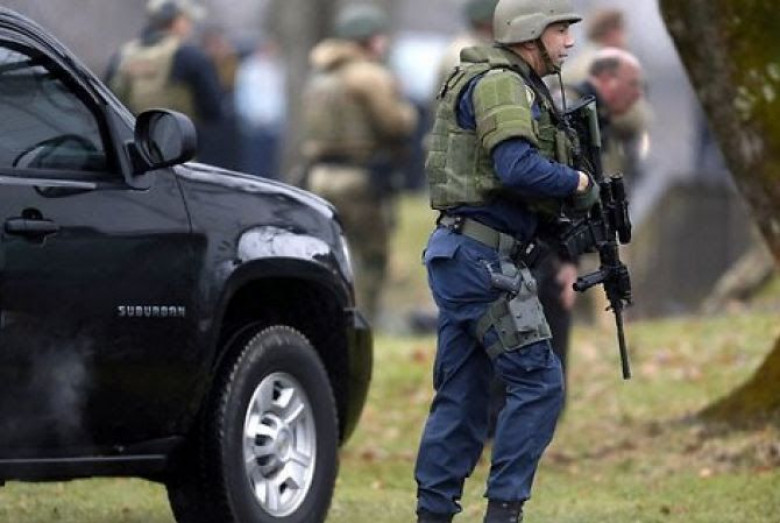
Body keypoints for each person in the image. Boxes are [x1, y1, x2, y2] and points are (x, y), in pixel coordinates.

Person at [414, 1, 600, 522]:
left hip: (463, 254)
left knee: (463, 395)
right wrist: (578, 182)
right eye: (560, 30)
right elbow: (516, 167)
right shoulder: (502, 84)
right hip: (482, 261)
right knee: (539, 383)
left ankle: (433, 514)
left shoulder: (504, 81)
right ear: (529, 33)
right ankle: (504, 512)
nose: (569, 41)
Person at [301, 4, 418, 324]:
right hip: (359, 178)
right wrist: (407, 111)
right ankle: (362, 322)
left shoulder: (319, 77)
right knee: (371, 256)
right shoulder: (369, 76)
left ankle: (328, 319)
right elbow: (394, 125)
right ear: (369, 39)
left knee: (331, 253)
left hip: (319, 175)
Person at [105, 0, 222, 133]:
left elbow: (108, 102)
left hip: (131, 138)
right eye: (187, 20)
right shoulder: (189, 55)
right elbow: (213, 109)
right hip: (178, 139)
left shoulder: (122, 55)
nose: (190, 26)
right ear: (178, 22)